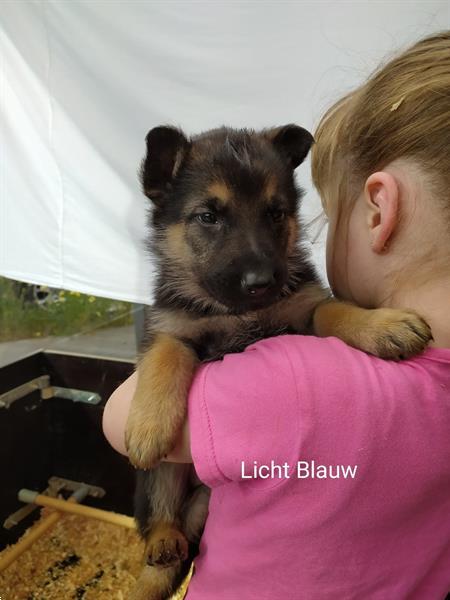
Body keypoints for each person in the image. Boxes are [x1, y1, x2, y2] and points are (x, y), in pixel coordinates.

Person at [103, 32, 450, 599]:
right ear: (164, 200)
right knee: (163, 443)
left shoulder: (295, 342)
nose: (259, 259)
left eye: (274, 217)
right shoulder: (179, 303)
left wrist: (357, 323)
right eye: (210, 219)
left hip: (235, 491)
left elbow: (318, 314)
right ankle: (162, 537)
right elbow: (158, 404)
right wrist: (166, 367)